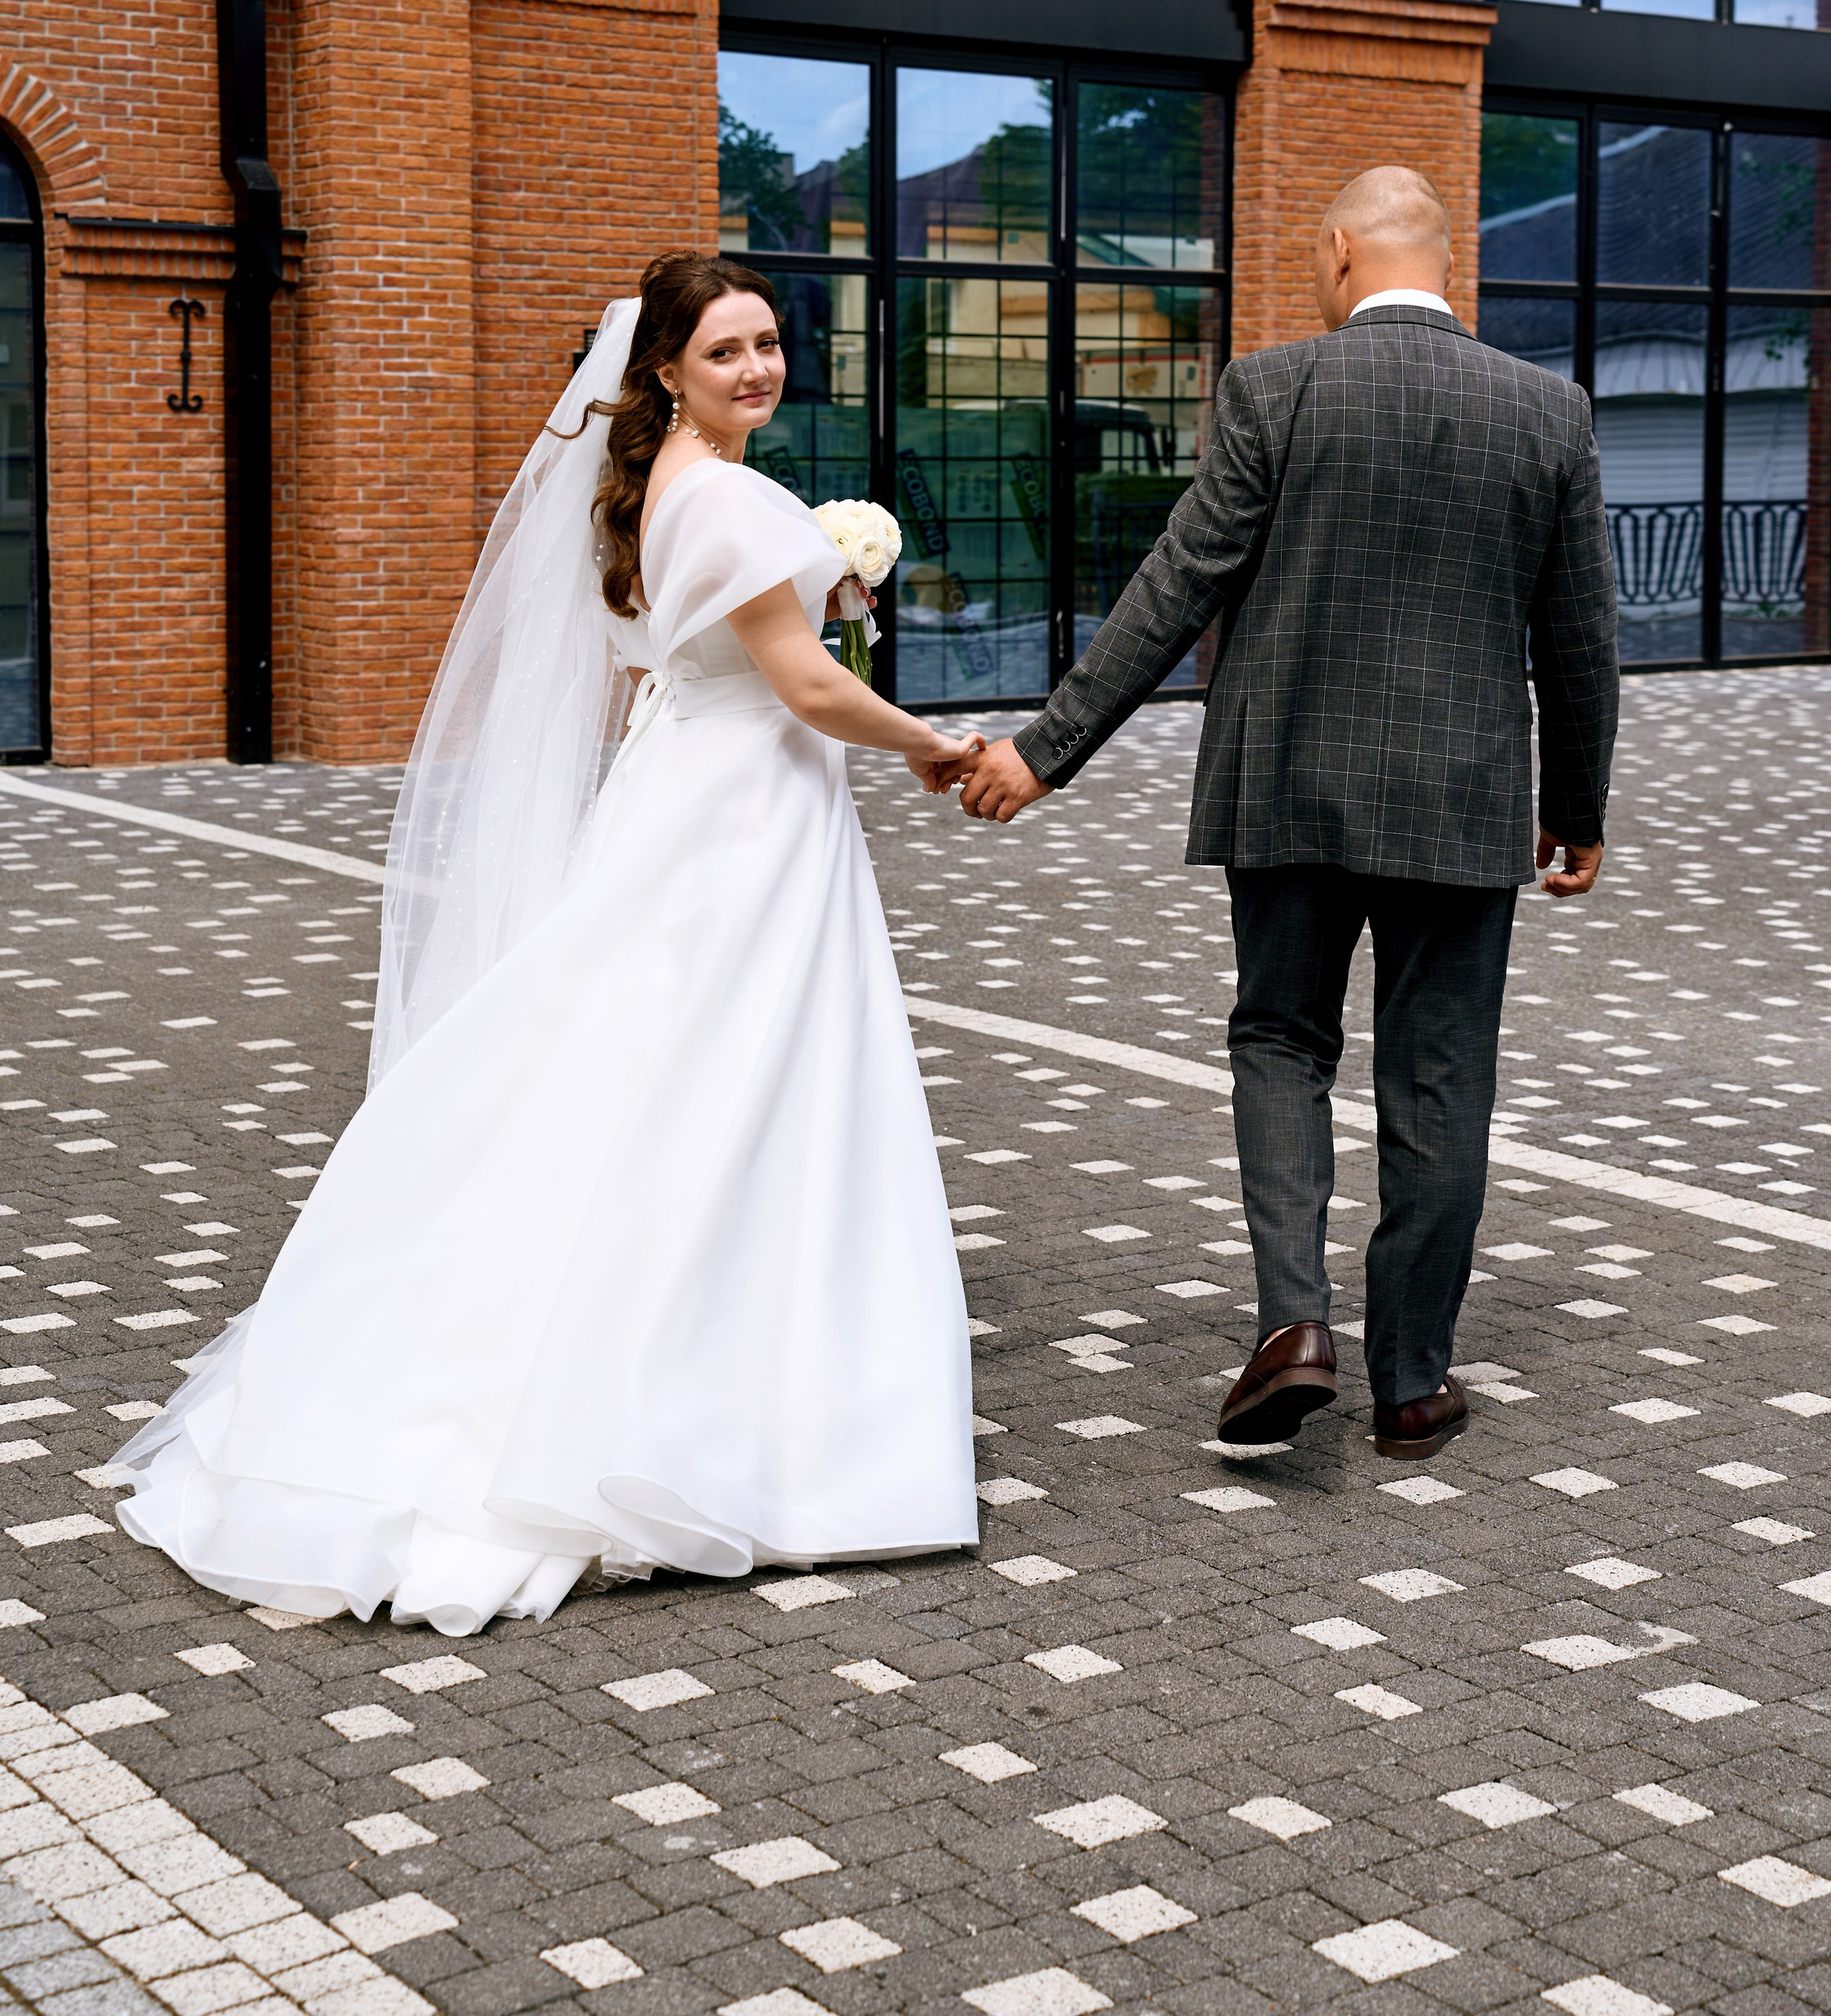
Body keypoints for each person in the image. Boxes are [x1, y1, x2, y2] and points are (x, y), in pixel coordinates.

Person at [107, 255, 983, 1633]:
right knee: (734, 1083)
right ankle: (711, 1412)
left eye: (769, 345)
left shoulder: (648, 497)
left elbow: (662, 666)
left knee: (675, 1077)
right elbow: (806, 685)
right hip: (743, 823)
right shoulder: (740, 501)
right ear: (669, 373)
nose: (758, 369)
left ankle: (710, 1370)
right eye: (727, 353)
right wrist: (940, 747)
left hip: (684, 795)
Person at [954, 167, 1618, 1464]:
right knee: (1441, 1078)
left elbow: (1176, 585)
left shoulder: (1274, 387)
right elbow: (1582, 640)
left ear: (1335, 253)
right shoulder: (1550, 410)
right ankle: (1415, 1383)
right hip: (1463, 803)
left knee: (1281, 1042)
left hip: (1292, 788)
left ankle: (1295, 1330)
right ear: (1447, 264)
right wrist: (1575, 805)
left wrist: (1045, 752)